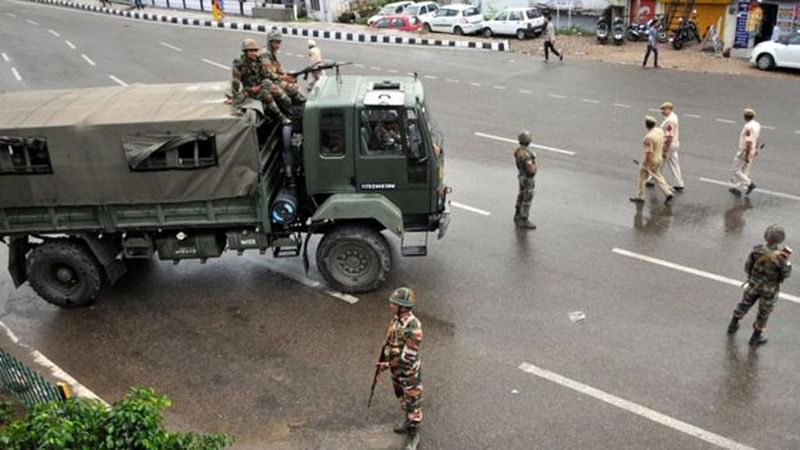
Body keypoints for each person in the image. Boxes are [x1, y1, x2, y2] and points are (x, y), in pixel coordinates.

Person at [727, 225, 792, 346]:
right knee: (764, 312)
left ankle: (733, 324)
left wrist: (753, 277)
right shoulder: (781, 258)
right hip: (769, 290)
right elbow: (786, 274)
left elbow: (748, 266)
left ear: (766, 236)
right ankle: (756, 337)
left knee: (744, 303)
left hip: (754, 284)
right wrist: (786, 262)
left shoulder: (757, 251)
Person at [377, 287, 424, 450]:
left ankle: (413, 434)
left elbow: (407, 357)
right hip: (397, 371)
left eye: (394, 303)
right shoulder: (396, 320)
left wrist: (387, 365)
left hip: (408, 372)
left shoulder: (414, 326)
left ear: (403, 307)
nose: (391, 305)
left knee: (413, 403)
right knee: (403, 398)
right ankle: (407, 422)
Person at [231, 38, 291, 125]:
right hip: (250, 90)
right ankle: (281, 117)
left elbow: (267, 75)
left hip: (262, 86)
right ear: (245, 51)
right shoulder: (239, 64)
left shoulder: (258, 62)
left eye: (255, 50)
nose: (254, 53)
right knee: (266, 95)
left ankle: (289, 114)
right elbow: (235, 82)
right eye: (251, 51)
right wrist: (235, 98)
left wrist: (282, 77)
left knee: (284, 97)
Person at [630, 116, 674, 205]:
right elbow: (664, 142)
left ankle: (640, 196)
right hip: (659, 157)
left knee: (642, 176)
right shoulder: (660, 131)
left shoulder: (648, 138)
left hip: (652, 159)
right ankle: (668, 192)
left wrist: (646, 165)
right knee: (657, 175)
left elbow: (649, 153)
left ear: (646, 125)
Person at [647, 102, 684, 191]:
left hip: (669, 144)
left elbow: (669, 136)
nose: (662, 111)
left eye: (664, 109)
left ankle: (651, 180)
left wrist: (665, 148)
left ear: (670, 109)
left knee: (659, 163)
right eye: (661, 109)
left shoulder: (669, 121)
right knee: (674, 164)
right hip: (675, 144)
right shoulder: (674, 116)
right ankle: (679, 183)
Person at [263, 30, 306, 105]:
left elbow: (278, 67)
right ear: (270, 42)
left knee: (295, 85)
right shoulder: (265, 54)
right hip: (267, 81)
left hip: (274, 79)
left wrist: (287, 75)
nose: (278, 46)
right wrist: (283, 77)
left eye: (279, 43)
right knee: (293, 88)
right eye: (276, 43)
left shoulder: (271, 53)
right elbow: (268, 73)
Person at [729, 108, 761, 196]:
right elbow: (757, 138)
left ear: (745, 117)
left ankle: (750, 184)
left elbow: (749, 142)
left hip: (744, 151)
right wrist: (756, 149)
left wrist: (746, 155)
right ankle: (738, 188)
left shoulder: (748, 127)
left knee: (735, 170)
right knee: (745, 170)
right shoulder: (757, 125)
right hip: (752, 150)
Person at [514, 130, 537, 229]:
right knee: (527, 198)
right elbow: (531, 169)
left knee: (521, 194)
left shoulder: (518, 151)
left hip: (521, 176)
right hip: (527, 178)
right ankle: (524, 219)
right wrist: (535, 162)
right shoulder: (526, 155)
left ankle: (517, 214)